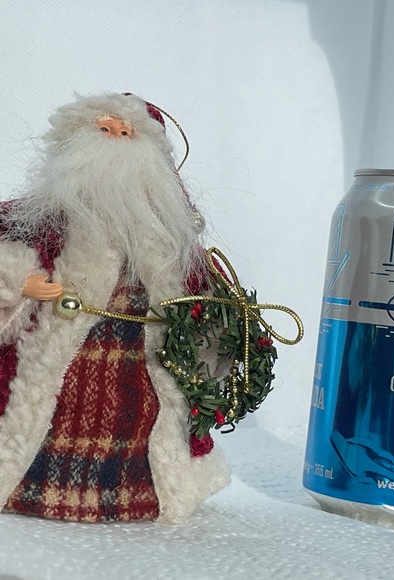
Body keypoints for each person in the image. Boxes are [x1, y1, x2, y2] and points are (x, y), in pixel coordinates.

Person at [0, 93, 229, 523]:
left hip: (136, 383)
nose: (115, 139)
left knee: (141, 425)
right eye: (104, 129)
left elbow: (205, 312)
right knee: (39, 419)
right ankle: (28, 483)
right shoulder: (35, 223)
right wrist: (16, 281)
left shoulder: (169, 247)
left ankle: (143, 491)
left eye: (127, 132)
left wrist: (218, 335)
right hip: (56, 378)